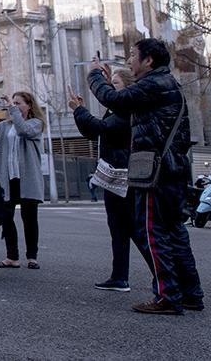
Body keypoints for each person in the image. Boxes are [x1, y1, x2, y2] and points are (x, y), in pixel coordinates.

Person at [88, 38, 203, 315]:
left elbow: (114, 99)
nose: (129, 60)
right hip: (171, 170)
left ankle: (167, 296)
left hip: (156, 173)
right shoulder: (166, 84)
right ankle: (190, 293)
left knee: (154, 233)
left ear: (148, 60)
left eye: (132, 55)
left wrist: (94, 75)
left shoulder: (154, 84)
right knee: (175, 232)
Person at [70, 68, 134, 293]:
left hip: (123, 175)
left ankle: (163, 278)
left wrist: (79, 110)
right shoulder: (117, 109)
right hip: (114, 175)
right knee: (118, 228)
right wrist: (79, 111)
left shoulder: (126, 110)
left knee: (132, 229)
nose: (109, 90)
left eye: (114, 84)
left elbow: (102, 128)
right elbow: (92, 132)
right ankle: (119, 276)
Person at [0, 92, 45, 269]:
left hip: (27, 179)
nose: (13, 106)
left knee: (29, 218)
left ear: (29, 106)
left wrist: (13, 110)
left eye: (18, 103)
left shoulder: (36, 124)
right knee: (6, 217)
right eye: (12, 103)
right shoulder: (4, 126)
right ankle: (12, 257)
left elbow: (24, 130)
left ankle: (32, 257)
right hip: (8, 179)